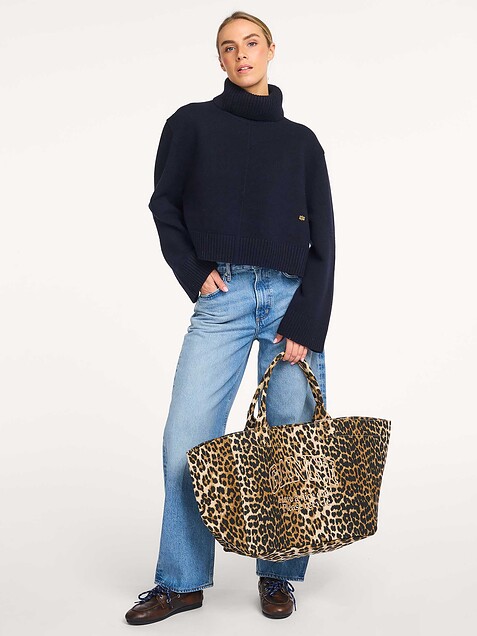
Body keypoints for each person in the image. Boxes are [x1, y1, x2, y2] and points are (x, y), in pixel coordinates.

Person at [124, 10, 336, 624]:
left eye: (251, 43)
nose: (241, 55)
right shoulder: (191, 124)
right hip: (224, 298)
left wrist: (308, 323)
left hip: (291, 300)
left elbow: (324, 239)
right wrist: (194, 273)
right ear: (219, 59)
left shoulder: (302, 142)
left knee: (289, 441)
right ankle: (181, 581)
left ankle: (278, 574)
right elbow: (164, 205)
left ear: (271, 49)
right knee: (185, 440)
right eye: (228, 47)